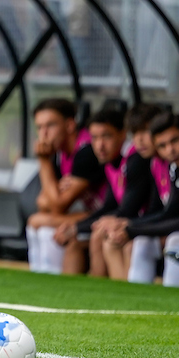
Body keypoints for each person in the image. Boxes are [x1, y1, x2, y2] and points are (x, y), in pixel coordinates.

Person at [27, 105, 121, 275]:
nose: (43, 134)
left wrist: (43, 161)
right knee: (39, 223)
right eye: (39, 127)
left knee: (42, 225)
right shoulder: (59, 153)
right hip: (91, 215)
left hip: (103, 216)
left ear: (70, 125)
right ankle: (40, 280)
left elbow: (57, 206)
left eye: (50, 126)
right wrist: (55, 192)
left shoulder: (86, 151)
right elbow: (43, 202)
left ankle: (50, 283)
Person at [81, 103, 164, 279]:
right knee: (106, 235)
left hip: (164, 229)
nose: (140, 140)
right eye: (135, 133)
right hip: (155, 223)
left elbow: (161, 211)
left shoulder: (140, 161)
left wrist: (131, 226)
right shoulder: (153, 162)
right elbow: (112, 206)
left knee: (128, 243)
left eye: (145, 132)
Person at [109, 112, 179, 286]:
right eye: (162, 146)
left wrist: (133, 230)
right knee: (142, 241)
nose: (170, 150)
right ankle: (137, 299)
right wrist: (132, 227)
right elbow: (169, 212)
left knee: (175, 241)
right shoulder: (173, 169)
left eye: (175, 141)